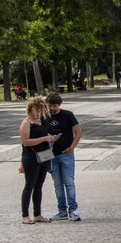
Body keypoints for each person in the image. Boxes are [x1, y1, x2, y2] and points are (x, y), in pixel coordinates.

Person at [44, 92, 82, 221]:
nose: (52, 109)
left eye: (54, 106)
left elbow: (78, 131)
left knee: (69, 182)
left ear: (59, 105)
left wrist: (72, 147)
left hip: (66, 154)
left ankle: (73, 209)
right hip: (51, 155)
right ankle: (62, 210)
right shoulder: (44, 116)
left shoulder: (67, 115)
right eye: (50, 106)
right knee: (57, 184)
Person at [19, 97, 58, 224]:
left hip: (44, 155)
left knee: (39, 186)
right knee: (29, 185)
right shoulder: (26, 123)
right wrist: (44, 139)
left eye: (42, 111)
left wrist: (50, 138)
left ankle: (37, 214)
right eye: (39, 110)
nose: (40, 113)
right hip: (31, 157)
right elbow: (25, 142)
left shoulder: (41, 120)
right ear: (32, 109)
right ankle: (25, 215)